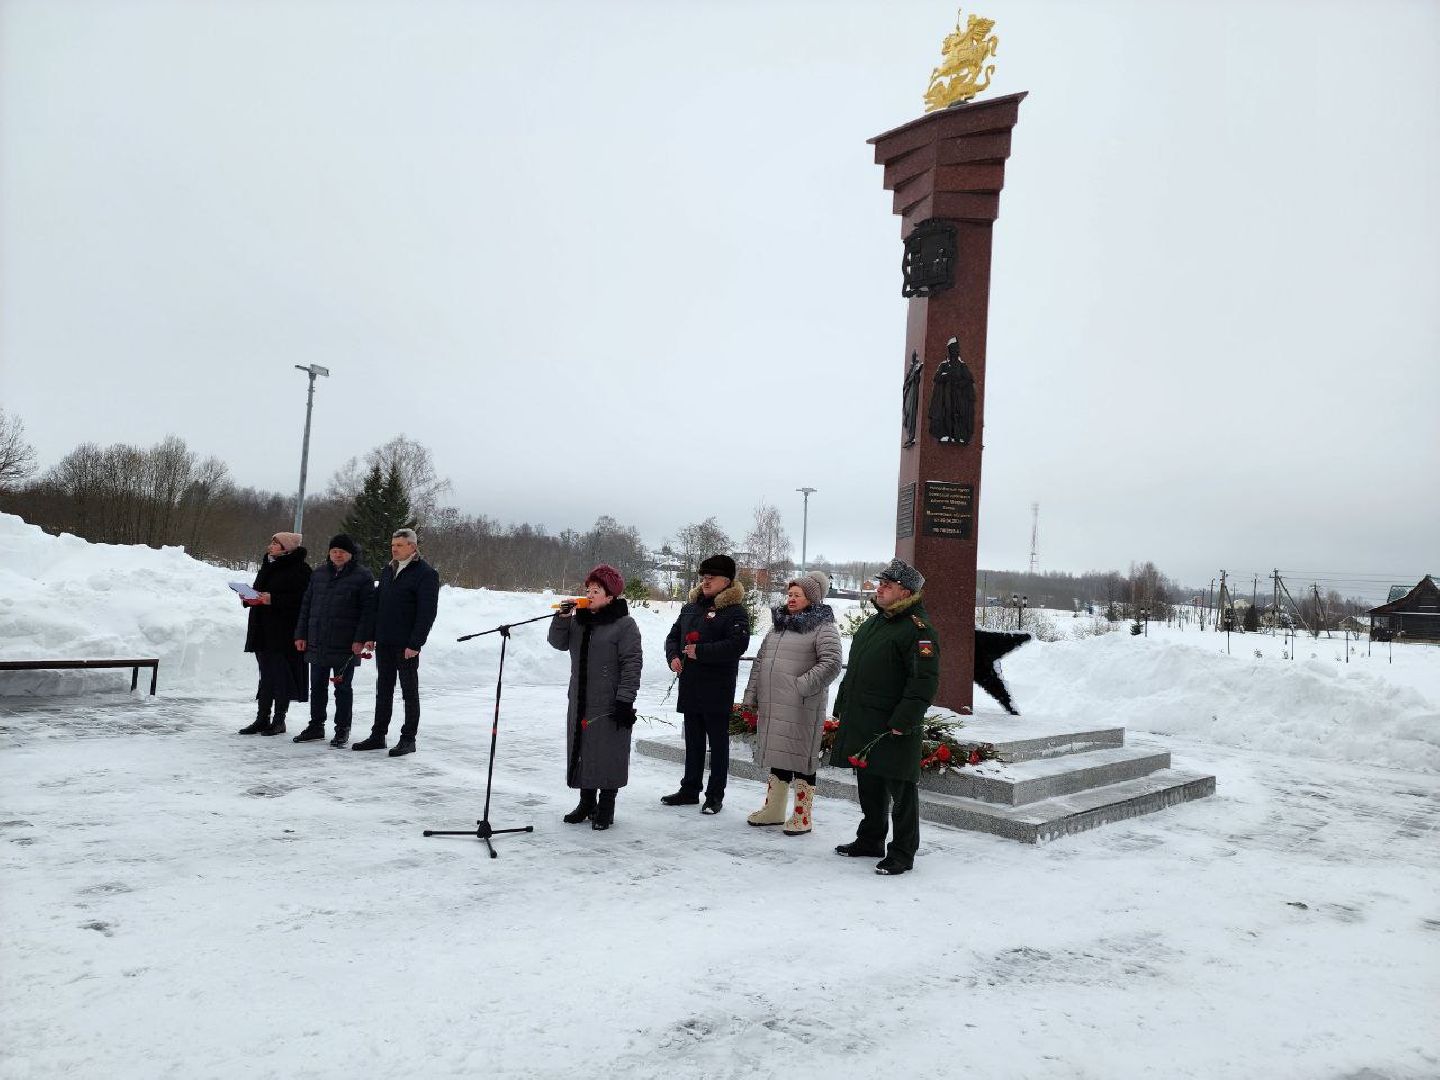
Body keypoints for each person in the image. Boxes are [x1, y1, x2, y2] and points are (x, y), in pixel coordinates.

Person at [829, 557, 939, 876]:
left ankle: (903, 852)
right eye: (880, 584)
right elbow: (857, 670)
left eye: (886, 586)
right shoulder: (875, 623)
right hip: (864, 719)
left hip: (893, 724)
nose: (879, 589)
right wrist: (843, 705)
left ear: (905, 592)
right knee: (869, 782)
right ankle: (870, 839)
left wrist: (904, 720)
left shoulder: (918, 630)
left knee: (901, 788)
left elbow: (924, 682)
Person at [741, 570, 843, 835]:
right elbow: (760, 662)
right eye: (790, 594)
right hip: (774, 704)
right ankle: (774, 810)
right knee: (779, 752)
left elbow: (831, 663)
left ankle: (802, 815)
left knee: (801, 759)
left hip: (802, 706)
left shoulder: (823, 627)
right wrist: (751, 696)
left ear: (812, 598)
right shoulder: (778, 626)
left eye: (798, 595)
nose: (791, 599)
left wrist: (801, 686)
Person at [547, 564, 643, 830]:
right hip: (580, 700)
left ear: (610, 596)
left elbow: (632, 663)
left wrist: (625, 699)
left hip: (610, 702)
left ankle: (606, 806)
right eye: (587, 589)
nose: (589, 594)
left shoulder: (624, 625)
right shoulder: (579, 620)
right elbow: (557, 642)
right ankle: (586, 801)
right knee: (583, 750)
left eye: (596, 590)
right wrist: (562, 618)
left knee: (608, 752)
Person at [661, 554, 751, 814]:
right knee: (694, 740)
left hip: (717, 688)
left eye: (712, 578)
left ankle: (714, 795)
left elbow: (737, 645)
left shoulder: (734, 611)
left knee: (718, 744)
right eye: (704, 577)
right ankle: (689, 789)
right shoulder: (691, 607)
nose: (706, 582)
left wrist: (700, 652)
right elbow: (673, 635)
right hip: (691, 685)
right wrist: (673, 656)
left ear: (727, 581)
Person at [352, 529, 440, 758]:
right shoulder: (389, 569)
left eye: (400, 545)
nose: (394, 548)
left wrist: (415, 643)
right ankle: (378, 735)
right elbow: (378, 604)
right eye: (393, 544)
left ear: (413, 547)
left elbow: (427, 613)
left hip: (406, 645)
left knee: (409, 693)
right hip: (385, 642)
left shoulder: (425, 573)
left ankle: (408, 739)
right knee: (383, 691)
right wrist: (371, 635)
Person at [292, 534, 376, 748]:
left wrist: (360, 639)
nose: (337, 554)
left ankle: (342, 729)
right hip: (318, 640)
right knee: (317, 687)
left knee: (343, 688)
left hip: (345, 645)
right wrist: (301, 634)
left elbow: (368, 612)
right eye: (334, 550)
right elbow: (306, 606)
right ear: (329, 552)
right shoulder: (319, 574)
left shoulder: (362, 576)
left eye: (342, 551)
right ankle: (316, 726)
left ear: (351, 554)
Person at [238, 532, 311, 736]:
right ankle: (262, 718)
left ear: (287, 547)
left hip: (283, 630)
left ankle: (279, 719)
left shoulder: (301, 569)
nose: (271, 545)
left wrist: (273, 599)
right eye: (271, 542)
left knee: (280, 676)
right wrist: (248, 597)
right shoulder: (268, 564)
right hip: (261, 627)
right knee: (266, 675)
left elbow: (302, 600)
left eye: (276, 543)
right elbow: (258, 590)